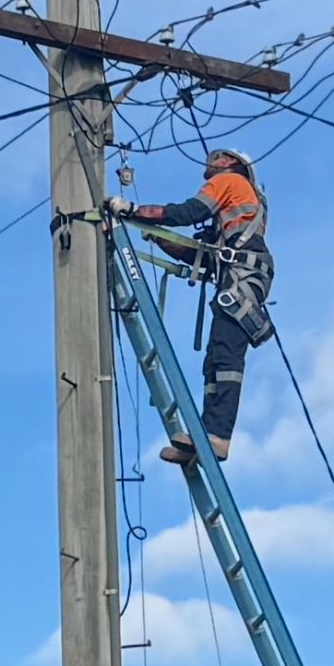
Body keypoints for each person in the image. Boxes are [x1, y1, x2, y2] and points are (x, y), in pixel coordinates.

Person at [108, 148, 274, 461]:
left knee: (225, 359)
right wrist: (156, 236)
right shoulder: (233, 218)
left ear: (228, 163)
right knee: (215, 360)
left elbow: (189, 212)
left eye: (215, 158)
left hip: (241, 278)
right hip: (239, 275)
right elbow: (200, 256)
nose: (208, 164)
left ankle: (217, 436)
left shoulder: (229, 181)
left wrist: (131, 209)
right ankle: (207, 435)